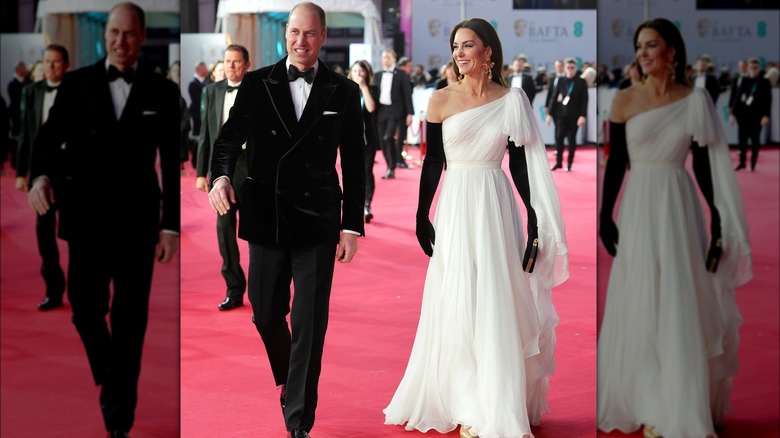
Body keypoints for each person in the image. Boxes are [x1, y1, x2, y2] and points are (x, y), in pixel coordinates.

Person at [384, 17, 568, 438]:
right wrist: (420, 214)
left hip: (495, 203)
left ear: (489, 52)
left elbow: (520, 164)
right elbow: (433, 162)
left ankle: (493, 399)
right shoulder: (439, 100)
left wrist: (535, 218)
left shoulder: (511, 101)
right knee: (459, 296)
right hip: (456, 204)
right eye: (455, 46)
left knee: (495, 296)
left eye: (468, 45)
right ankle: (464, 398)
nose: (459, 53)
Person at [206, 3, 365, 437]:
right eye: (294, 32)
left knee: (310, 323)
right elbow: (226, 143)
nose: (300, 41)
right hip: (266, 217)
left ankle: (298, 417)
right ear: (285, 35)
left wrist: (351, 225)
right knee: (264, 313)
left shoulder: (343, 92)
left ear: (324, 36)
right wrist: (220, 177)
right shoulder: (257, 84)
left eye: (310, 34)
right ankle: (288, 378)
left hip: (318, 220)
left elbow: (355, 164)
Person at [26, 3, 180, 437]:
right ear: (105, 35)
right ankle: (109, 372)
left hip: (138, 223)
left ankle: (118, 416)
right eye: (114, 32)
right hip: (87, 221)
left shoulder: (162, 92)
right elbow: (45, 141)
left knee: (131, 321)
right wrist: (40, 178)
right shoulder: (76, 85)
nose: (120, 41)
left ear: (143, 36)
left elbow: (170, 163)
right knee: (85, 310)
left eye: (129, 34)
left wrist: (170, 226)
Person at [598, 18, 751, 438]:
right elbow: (615, 164)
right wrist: (604, 212)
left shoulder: (694, 101)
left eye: (651, 45)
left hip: (679, 205)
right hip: (640, 204)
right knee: (643, 296)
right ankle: (646, 400)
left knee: (678, 297)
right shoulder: (623, 100)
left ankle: (677, 401)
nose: (643, 53)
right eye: (639, 47)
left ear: (672, 51)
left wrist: (719, 217)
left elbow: (704, 166)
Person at [196, 44, 251, 310]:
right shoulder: (212, 90)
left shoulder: (257, 90)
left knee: (256, 231)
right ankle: (234, 287)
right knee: (224, 228)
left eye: (237, 61)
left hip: (252, 167)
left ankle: (263, 290)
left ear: (246, 64)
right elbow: (206, 135)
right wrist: (200, 173)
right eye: (227, 61)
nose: (231, 66)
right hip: (222, 168)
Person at [15, 44, 70, 311]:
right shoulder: (32, 92)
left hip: (72, 173)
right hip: (41, 173)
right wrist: (20, 172)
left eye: (56, 62)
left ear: (66, 65)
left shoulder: (77, 91)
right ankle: (54, 289)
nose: (51, 67)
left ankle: (84, 289)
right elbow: (26, 134)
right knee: (44, 234)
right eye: (47, 62)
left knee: (78, 233)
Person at [348, 59, 380, 224]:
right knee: (351, 172)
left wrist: (363, 87)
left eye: (361, 71)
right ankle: (353, 205)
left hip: (368, 138)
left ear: (366, 73)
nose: (358, 74)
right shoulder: (345, 89)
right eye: (355, 71)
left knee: (366, 170)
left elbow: (371, 108)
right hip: (349, 138)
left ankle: (367, 204)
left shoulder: (372, 89)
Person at [374, 49, 414, 178]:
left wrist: (410, 113)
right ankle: (390, 166)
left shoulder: (401, 74)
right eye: (384, 57)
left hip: (395, 111)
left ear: (394, 59)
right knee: (382, 141)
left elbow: (407, 95)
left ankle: (392, 166)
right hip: (381, 111)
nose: (386, 59)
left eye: (388, 57)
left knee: (388, 137)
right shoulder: (377, 75)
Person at [729, 57, 771, 172]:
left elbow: (768, 101)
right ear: (748, 68)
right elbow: (737, 98)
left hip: (757, 117)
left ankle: (752, 164)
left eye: (756, 68)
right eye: (751, 67)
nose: (753, 70)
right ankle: (742, 163)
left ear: (759, 68)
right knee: (742, 141)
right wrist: (733, 114)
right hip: (743, 116)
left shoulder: (764, 82)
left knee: (755, 141)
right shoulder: (744, 80)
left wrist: (766, 116)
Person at [546, 57, 588, 171]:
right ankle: (558, 162)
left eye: (572, 67)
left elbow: (585, 100)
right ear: (564, 68)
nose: (570, 69)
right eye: (568, 67)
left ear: (576, 69)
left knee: (571, 139)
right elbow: (554, 97)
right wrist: (550, 114)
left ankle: (569, 163)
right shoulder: (561, 80)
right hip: (561, 115)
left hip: (575, 116)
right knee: (559, 137)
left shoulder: (581, 82)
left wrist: (582, 116)